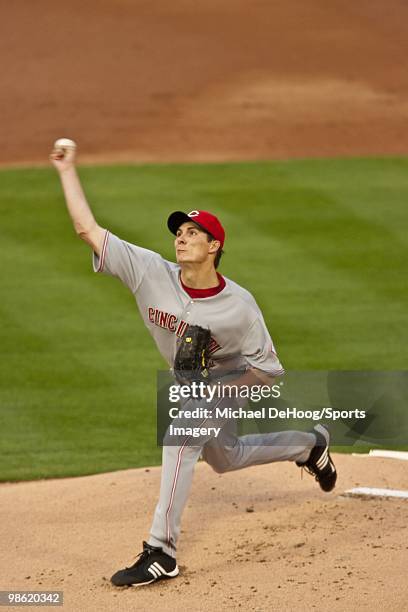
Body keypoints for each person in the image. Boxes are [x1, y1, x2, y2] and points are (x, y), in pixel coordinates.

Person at [50, 142, 337, 588]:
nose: (181, 238)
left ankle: (160, 551)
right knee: (226, 456)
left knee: (182, 435)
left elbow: (269, 369)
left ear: (214, 246)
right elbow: (87, 229)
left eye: (192, 232)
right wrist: (67, 170)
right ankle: (310, 447)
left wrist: (216, 388)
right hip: (194, 383)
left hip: (232, 379)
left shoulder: (240, 307)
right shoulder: (149, 271)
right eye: (178, 232)